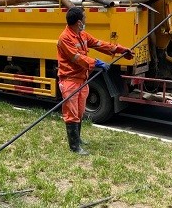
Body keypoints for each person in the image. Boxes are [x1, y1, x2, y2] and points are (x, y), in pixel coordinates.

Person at [56, 8, 134, 155]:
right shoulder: (65, 38)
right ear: (79, 22)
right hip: (70, 80)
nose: (86, 20)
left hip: (82, 80)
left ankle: (77, 138)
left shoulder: (82, 35)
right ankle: (74, 147)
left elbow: (99, 44)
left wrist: (121, 50)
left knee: (79, 112)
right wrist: (97, 63)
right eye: (84, 18)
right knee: (71, 113)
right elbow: (77, 58)